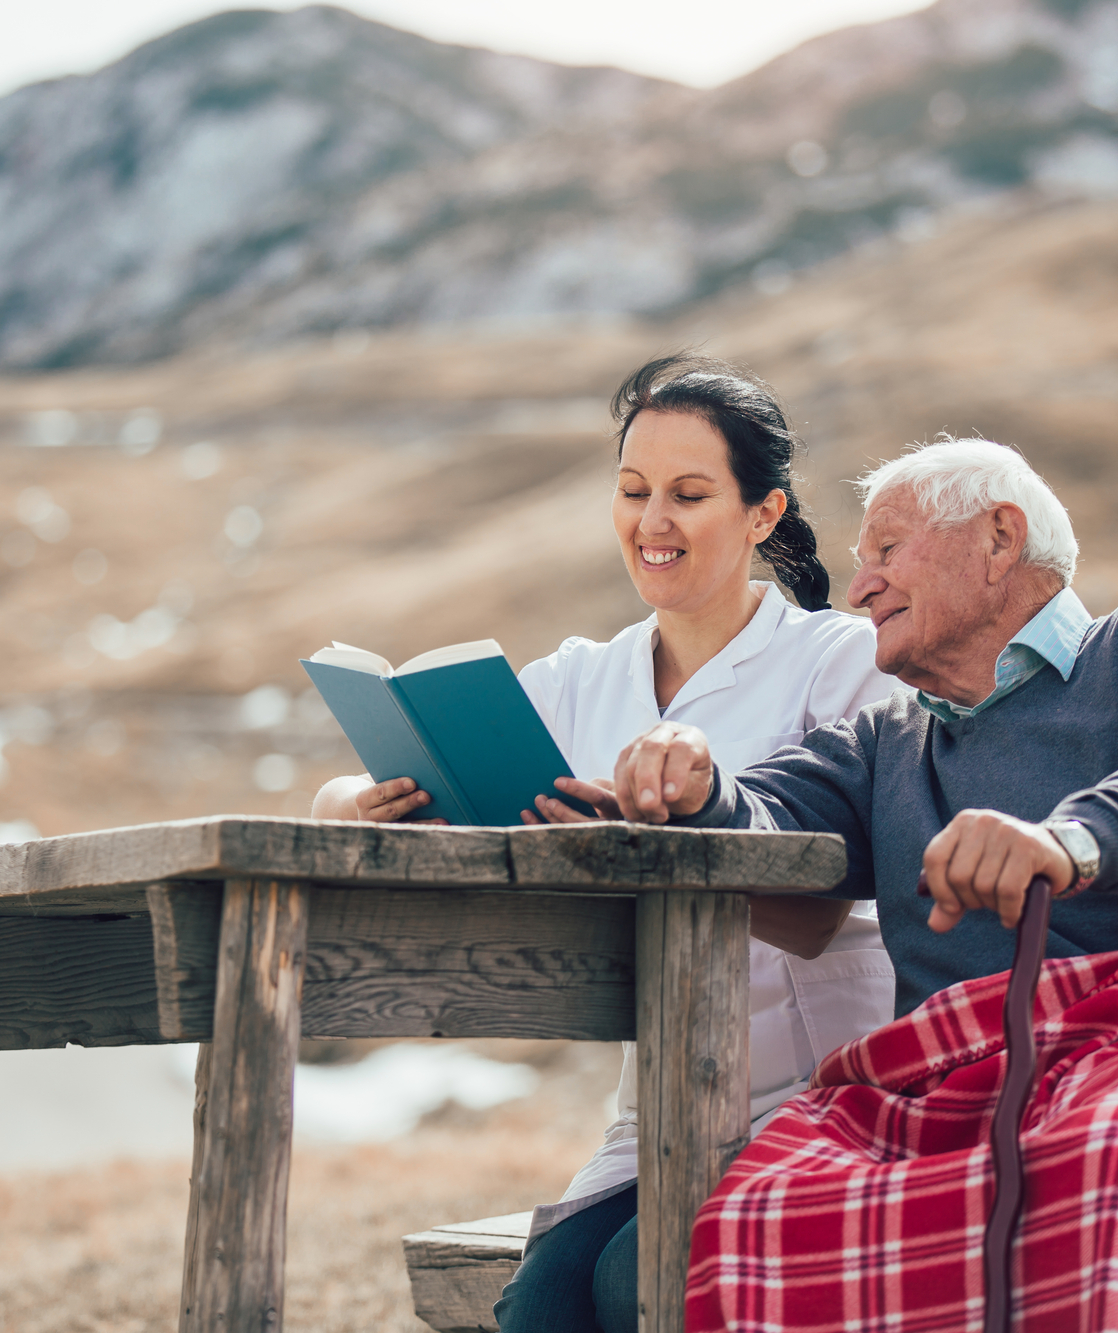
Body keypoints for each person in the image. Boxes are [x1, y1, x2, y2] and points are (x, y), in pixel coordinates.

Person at [608, 439, 1118, 1331]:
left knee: (1115, 1165)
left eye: (885, 550)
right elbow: (763, 810)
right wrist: (699, 783)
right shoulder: (879, 742)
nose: (859, 589)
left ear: (999, 539)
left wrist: (1070, 841)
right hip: (949, 1079)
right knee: (757, 1210)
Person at [311, 354, 900, 1333]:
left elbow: (829, 906)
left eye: (688, 493)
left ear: (762, 514)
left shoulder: (839, 665)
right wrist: (349, 802)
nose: (650, 521)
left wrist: (659, 848)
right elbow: (433, 800)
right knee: (539, 1305)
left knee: (638, 1280)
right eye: (631, 491)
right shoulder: (578, 679)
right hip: (660, 1105)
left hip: (828, 1088)